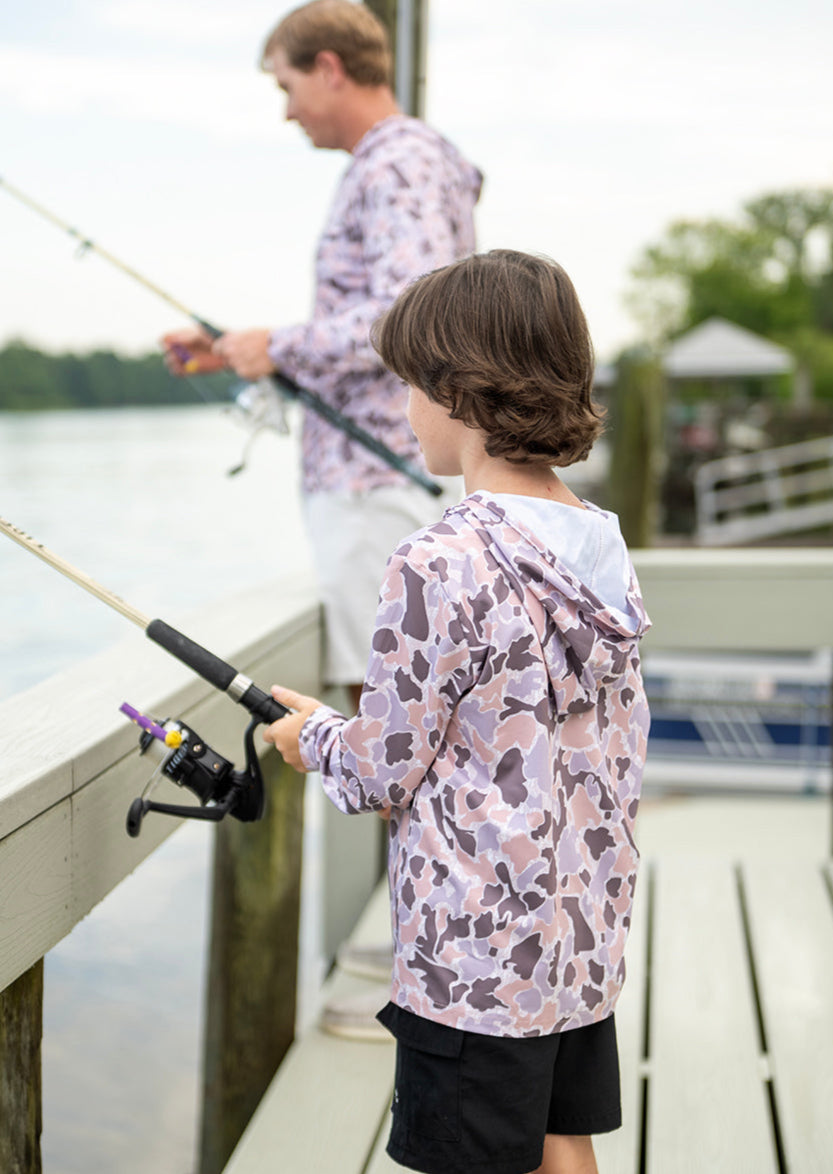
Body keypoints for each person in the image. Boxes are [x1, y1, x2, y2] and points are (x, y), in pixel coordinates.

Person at [264, 249, 652, 1174]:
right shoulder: (600, 544)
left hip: (472, 960)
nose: (404, 411)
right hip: (578, 938)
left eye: (410, 387)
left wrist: (310, 735)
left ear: (459, 392)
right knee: (563, 1142)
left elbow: (382, 769)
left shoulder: (436, 561)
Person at [161, 0, 482, 707]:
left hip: (377, 486)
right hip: (386, 482)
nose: (286, 111)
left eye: (287, 86)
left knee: (398, 712)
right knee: (409, 710)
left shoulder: (397, 164)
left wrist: (277, 342)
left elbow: (409, 312)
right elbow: (394, 313)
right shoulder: (412, 161)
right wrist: (235, 350)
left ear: (329, 69)